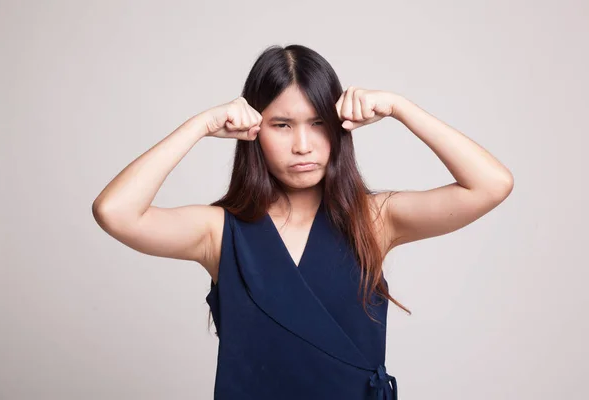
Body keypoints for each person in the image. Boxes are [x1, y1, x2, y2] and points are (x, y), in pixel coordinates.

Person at [92, 44, 514, 399]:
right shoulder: (219, 232)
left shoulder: (374, 220)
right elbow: (115, 212)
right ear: (255, 130)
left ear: (339, 129)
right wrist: (199, 125)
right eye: (281, 125)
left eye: (318, 124)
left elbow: (491, 184)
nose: (302, 145)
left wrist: (400, 108)